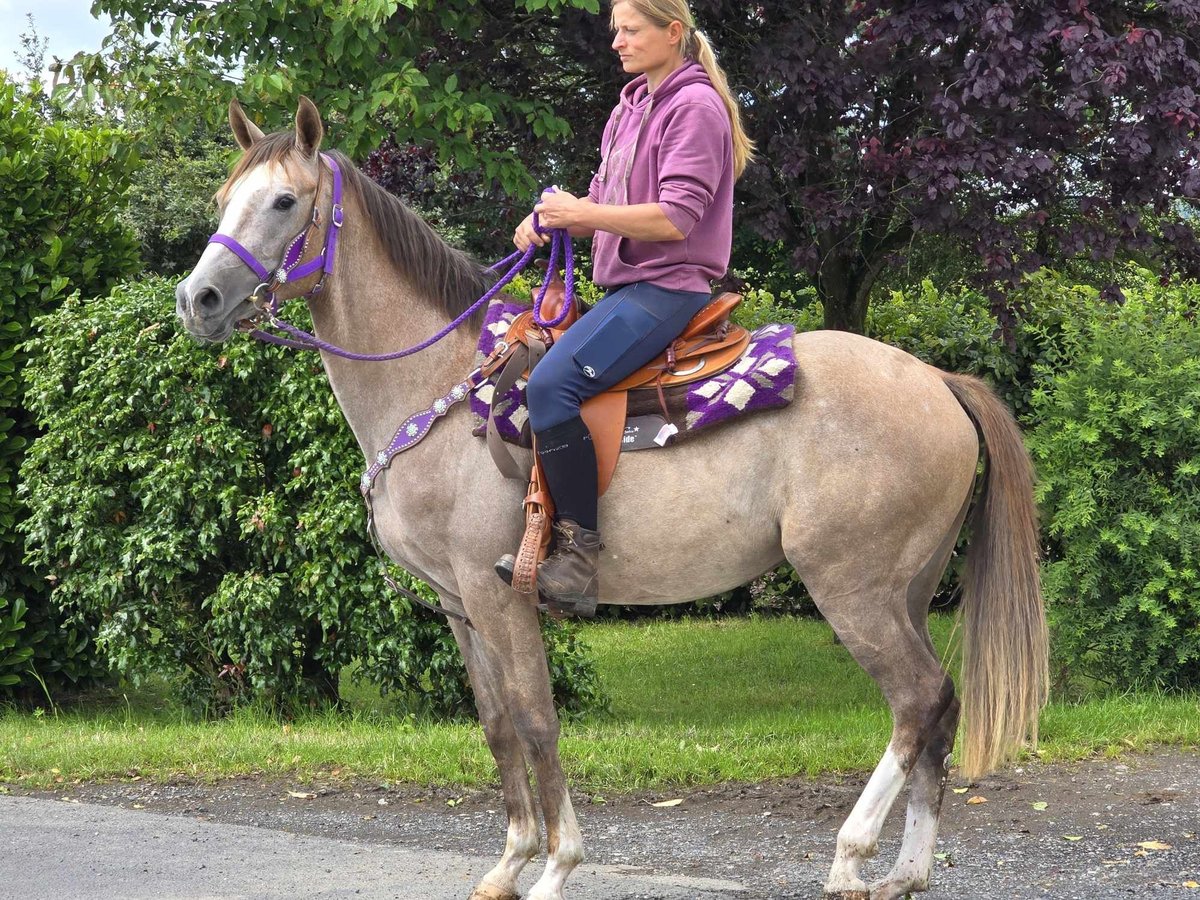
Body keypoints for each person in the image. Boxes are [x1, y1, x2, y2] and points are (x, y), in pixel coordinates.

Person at [495, 0, 755, 616]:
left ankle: (577, 558)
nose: (617, 41)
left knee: (552, 385)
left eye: (630, 29)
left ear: (672, 32)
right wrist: (549, 219)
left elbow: (676, 216)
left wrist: (582, 214)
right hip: (629, 289)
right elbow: (607, 199)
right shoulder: (630, 105)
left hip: (669, 288)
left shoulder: (695, 107)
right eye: (615, 30)